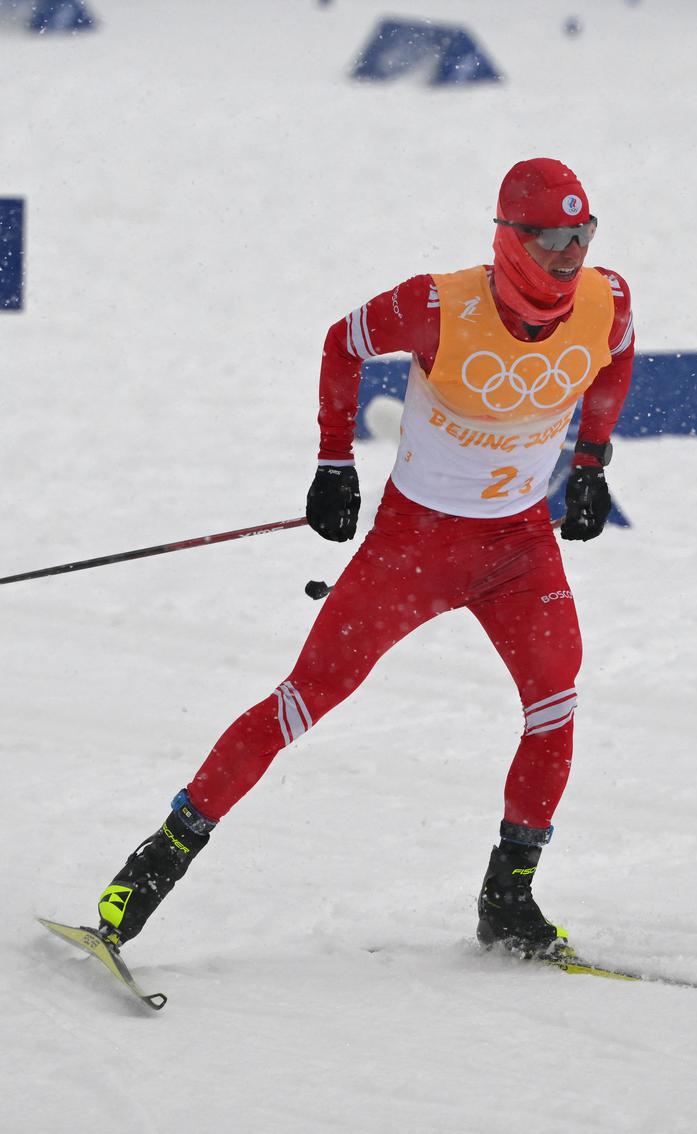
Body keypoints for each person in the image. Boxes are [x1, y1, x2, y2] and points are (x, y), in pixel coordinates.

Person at [95, 158, 635, 957]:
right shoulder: (436, 304)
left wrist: (591, 460)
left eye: (582, 233)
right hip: (414, 549)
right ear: (510, 238)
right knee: (305, 698)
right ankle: (150, 869)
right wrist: (333, 463)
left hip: (519, 548)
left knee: (555, 706)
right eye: (553, 236)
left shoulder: (606, 297)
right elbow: (342, 342)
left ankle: (507, 898)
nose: (570, 252)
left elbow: (617, 352)